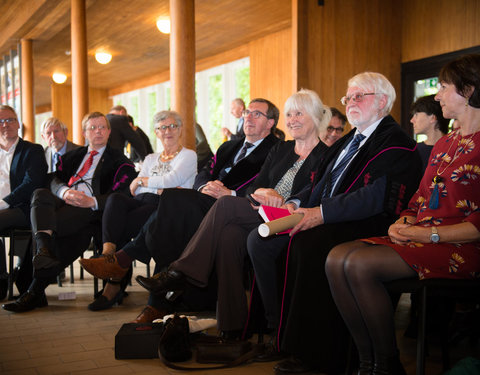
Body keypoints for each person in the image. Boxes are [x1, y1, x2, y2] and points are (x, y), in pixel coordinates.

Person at [246, 72, 423, 374]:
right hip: (331, 214)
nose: (351, 102)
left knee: (309, 243)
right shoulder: (351, 139)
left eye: (359, 96)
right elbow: (322, 182)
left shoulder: (395, 143)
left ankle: (318, 354)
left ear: (382, 101)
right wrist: (297, 203)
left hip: (369, 222)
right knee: (262, 240)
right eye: (348, 96)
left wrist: (320, 213)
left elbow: (375, 198)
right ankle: (283, 336)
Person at [325, 54, 480, 375]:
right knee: (336, 258)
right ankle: (368, 363)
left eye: (444, 88)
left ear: (468, 90)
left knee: (357, 263)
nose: (437, 96)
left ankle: (386, 365)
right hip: (423, 237)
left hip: (463, 248)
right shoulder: (446, 143)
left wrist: (425, 234)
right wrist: (404, 219)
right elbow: (420, 197)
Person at [133, 89, 331, 338]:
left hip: (290, 216)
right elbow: (256, 184)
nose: (291, 120)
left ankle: (179, 272)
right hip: (259, 210)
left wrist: (288, 201)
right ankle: (232, 326)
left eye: (298, 114)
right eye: (289, 114)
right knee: (228, 236)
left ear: (314, 116)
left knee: (224, 205)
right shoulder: (281, 149)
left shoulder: (327, 155)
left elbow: (316, 192)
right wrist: (263, 190)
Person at [79, 98, 281, 323]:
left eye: (256, 114)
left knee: (172, 200)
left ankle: (124, 262)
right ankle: (154, 300)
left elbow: (266, 184)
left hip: (233, 207)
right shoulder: (229, 145)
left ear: (270, 122)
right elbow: (205, 172)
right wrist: (205, 185)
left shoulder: (276, 149)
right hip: (203, 200)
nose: (248, 117)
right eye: (247, 113)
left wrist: (229, 193)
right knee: (165, 214)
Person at [2, 112, 136, 313]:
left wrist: (92, 201)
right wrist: (65, 192)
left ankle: (33, 288)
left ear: (109, 132)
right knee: (40, 194)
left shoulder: (120, 161)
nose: (97, 131)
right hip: (64, 202)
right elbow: (52, 180)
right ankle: (43, 251)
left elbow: (123, 195)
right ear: (84, 133)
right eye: (92, 128)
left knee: (52, 229)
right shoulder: (72, 157)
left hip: (89, 209)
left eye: (102, 127)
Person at [88, 110, 197, 311]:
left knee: (120, 225)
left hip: (164, 207)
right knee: (115, 200)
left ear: (180, 129)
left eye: (172, 126)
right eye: (162, 127)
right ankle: (108, 253)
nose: (168, 131)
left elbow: (168, 182)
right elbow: (137, 188)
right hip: (141, 201)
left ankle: (112, 284)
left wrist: (143, 181)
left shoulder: (188, 155)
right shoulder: (150, 158)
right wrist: (151, 184)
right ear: (156, 132)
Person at [0, 105, 47, 300]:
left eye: (10, 120)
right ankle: (3, 277)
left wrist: (4, 202)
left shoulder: (32, 150)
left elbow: (32, 183)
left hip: (21, 208)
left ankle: (3, 281)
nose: (5, 124)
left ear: (18, 124)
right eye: (1, 121)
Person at [410, 94, 450, 171]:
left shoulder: (454, 149)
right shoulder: (414, 151)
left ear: (432, 118)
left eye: (416, 115)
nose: (412, 120)